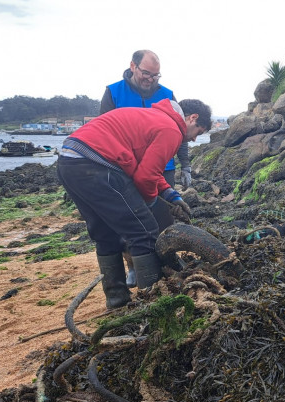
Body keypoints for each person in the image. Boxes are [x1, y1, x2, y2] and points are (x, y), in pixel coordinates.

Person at [57, 99, 211, 310]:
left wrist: (171, 195)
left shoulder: (152, 118)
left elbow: (149, 170)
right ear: (191, 118)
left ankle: (117, 301)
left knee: (104, 233)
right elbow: (145, 177)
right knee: (144, 231)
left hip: (69, 162)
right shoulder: (171, 129)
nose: (193, 139)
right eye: (198, 132)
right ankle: (153, 306)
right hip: (98, 164)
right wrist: (147, 206)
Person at [101, 50, 192, 191]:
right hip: (125, 168)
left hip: (163, 168)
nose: (150, 79)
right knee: (132, 212)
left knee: (165, 212)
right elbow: (104, 134)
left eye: (155, 75)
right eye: (146, 73)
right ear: (133, 66)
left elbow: (180, 132)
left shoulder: (167, 95)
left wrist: (186, 166)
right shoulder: (113, 92)